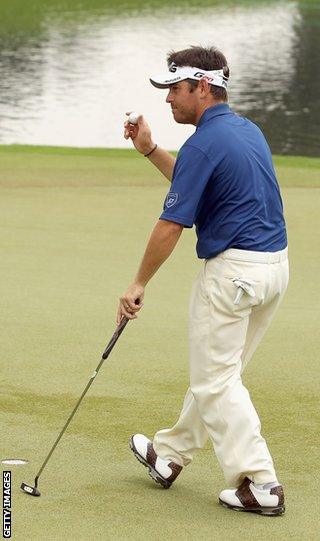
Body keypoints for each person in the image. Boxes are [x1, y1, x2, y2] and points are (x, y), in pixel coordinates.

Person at [117, 46, 289, 516]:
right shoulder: (243, 131)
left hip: (235, 274)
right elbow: (191, 186)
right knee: (220, 375)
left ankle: (261, 484)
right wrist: (151, 149)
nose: (168, 98)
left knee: (216, 381)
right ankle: (169, 456)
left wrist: (138, 284)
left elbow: (172, 223)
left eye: (175, 88)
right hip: (272, 270)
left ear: (204, 87)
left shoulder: (206, 141)